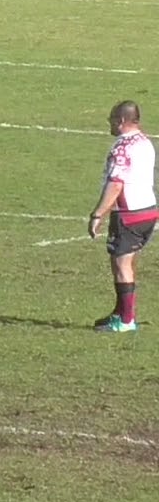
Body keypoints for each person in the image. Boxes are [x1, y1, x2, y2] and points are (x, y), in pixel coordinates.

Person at [89, 100, 156, 333]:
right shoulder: (145, 142)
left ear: (121, 121)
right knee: (122, 261)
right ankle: (120, 312)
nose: (109, 123)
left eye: (111, 119)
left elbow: (116, 183)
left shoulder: (122, 147)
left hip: (129, 213)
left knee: (121, 264)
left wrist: (98, 213)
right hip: (148, 209)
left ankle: (126, 321)